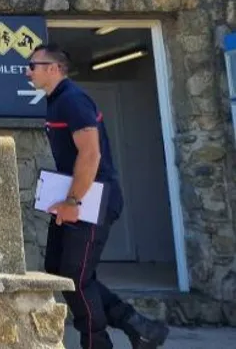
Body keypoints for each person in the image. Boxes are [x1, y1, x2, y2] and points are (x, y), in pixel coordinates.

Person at [27, 44, 169, 349]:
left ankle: (97, 342)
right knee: (60, 270)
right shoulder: (56, 101)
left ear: (54, 69)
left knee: (76, 277)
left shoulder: (73, 101)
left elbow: (91, 154)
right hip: (75, 195)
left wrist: (73, 202)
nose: (28, 71)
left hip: (92, 198)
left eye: (33, 65)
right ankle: (137, 325)